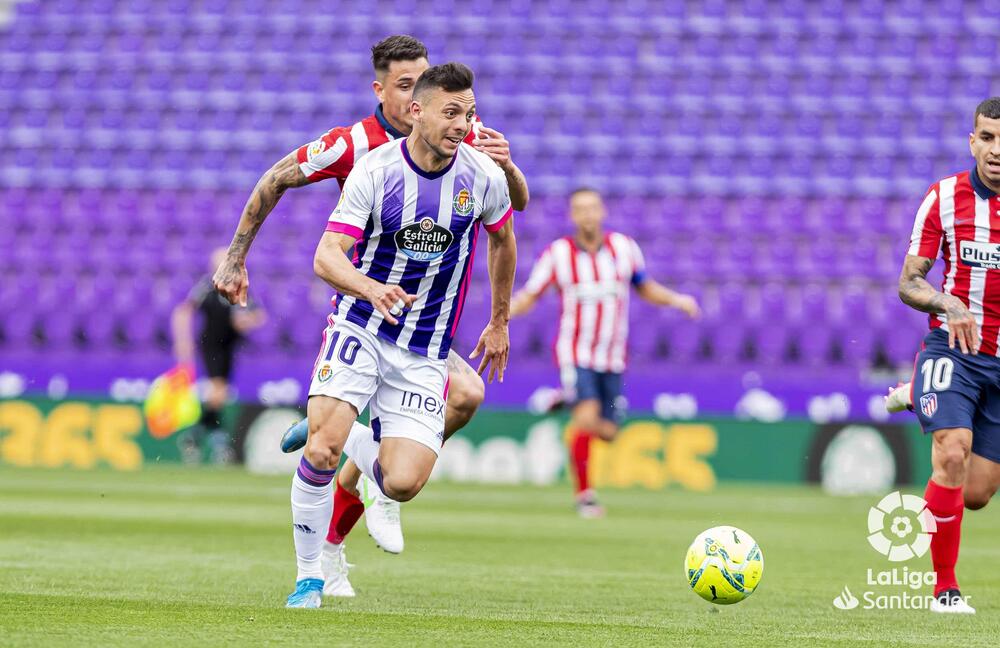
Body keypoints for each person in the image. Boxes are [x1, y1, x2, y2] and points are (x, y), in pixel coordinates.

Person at [211, 35, 529, 595]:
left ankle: (378, 474)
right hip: (362, 309)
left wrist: (508, 166)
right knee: (325, 445)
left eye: (421, 82)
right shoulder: (354, 148)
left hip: (422, 326)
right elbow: (274, 181)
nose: (416, 98)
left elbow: (511, 211)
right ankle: (319, 557)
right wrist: (237, 258)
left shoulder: (466, 139)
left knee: (465, 400)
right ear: (384, 90)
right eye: (405, 86)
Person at [285, 62, 517, 608]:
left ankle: (360, 443)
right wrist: (371, 289)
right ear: (418, 111)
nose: (462, 124)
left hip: (425, 349)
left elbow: (505, 239)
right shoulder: (376, 170)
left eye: (469, 112)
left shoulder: (481, 175)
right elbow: (326, 256)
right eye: (451, 112)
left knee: (403, 484)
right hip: (362, 325)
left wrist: (500, 319)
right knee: (321, 450)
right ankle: (308, 579)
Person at [509, 188, 699, 517]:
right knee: (586, 419)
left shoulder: (624, 249)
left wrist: (676, 300)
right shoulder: (558, 254)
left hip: (612, 357)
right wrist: (503, 313)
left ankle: (565, 398)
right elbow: (531, 294)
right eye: (580, 209)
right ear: (572, 215)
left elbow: (645, 287)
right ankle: (585, 495)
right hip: (576, 353)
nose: (587, 214)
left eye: (592, 208)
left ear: (602, 212)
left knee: (609, 432)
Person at [895, 97, 1000, 615]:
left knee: (978, 492)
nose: (996, 150)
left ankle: (916, 393)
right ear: (972, 141)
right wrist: (947, 301)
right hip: (953, 347)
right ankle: (945, 590)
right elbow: (909, 281)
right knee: (952, 452)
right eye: (987, 138)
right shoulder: (943, 197)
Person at [171, 248, 266, 463]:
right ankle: (216, 441)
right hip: (211, 345)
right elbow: (184, 311)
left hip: (230, 346)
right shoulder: (206, 286)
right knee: (218, 393)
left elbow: (259, 315)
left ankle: (195, 436)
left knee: (219, 396)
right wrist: (182, 341)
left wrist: (245, 321)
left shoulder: (240, 287)